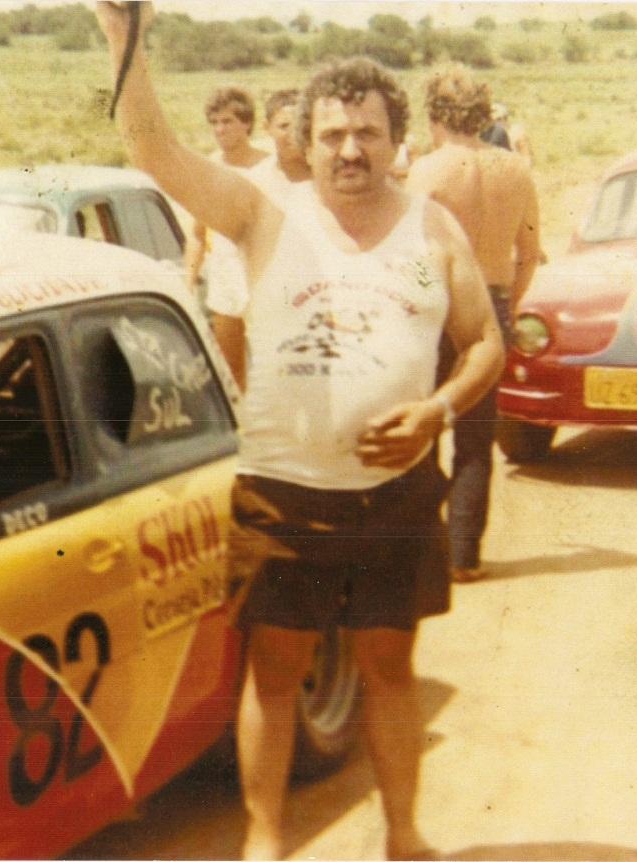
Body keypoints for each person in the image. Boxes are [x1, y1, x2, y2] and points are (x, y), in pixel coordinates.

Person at [96, 5, 504, 859]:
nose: (349, 150)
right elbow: (153, 154)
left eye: (366, 132)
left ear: (397, 140)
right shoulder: (261, 214)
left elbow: (485, 348)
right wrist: (120, 36)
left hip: (395, 499)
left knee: (388, 670)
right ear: (306, 142)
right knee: (274, 675)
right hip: (283, 498)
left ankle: (402, 838)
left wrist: (437, 411)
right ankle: (265, 844)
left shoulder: (433, 228)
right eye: (331, 135)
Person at [406, 66, 543, 584]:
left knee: (422, 430)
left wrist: (419, 299)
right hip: (493, 302)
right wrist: (503, 311)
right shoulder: (516, 170)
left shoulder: (426, 171)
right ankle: (465, 557)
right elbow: (529, 255)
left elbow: (414, 253)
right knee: (475, 439)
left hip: (436, 306)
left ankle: (421, 552)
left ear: (436, 115)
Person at [207, 88, 311, 390]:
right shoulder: (254, 183)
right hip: (253, 300)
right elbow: (223, 251)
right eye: (283, 126)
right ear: (267, 128)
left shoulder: (327, 181)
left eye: (300, 125)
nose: (292, 134)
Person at [184, 85, 270, 306]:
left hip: (265, 283)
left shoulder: (270, 167)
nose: (220, 129)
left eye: (227, 121)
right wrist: (188, 285)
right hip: (225, 287)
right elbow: (198, 236)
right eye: (214, 123)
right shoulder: (208, 170)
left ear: (247, 123)